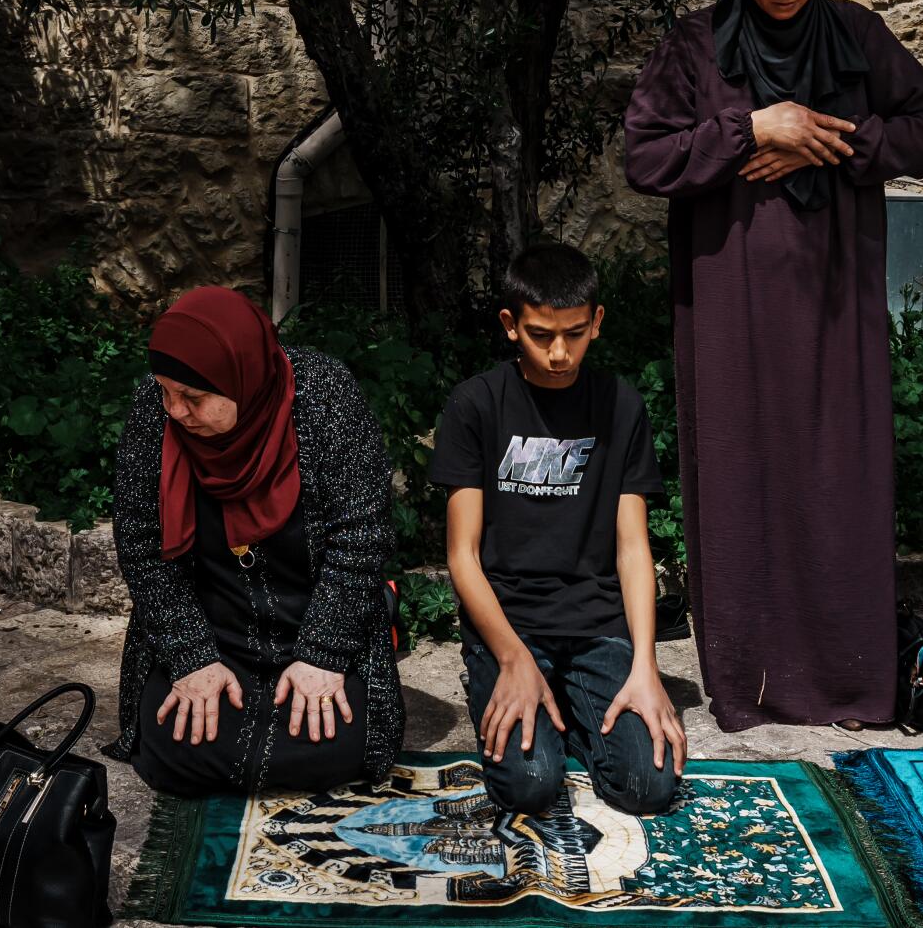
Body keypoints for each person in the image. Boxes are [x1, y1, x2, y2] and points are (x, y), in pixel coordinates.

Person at [622, 0, 923, 731]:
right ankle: (750, 682)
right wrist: (750, 131)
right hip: (731, 296)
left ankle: (845, 680)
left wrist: (831, 134)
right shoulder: (698, 45)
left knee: (838, 470)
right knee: (742, 469)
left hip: (835, 297)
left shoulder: (855, 36)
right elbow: (645, 154)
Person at [102, 286, 405, 796]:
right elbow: (141, 546)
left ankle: (381, 613)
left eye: (194, 398)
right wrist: (191, 657)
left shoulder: (325, 396)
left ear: (241, 379)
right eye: (165, 392)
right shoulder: (156, 409)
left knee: (337, 743)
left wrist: (324, 657)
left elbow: (362, 533)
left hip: (314, 617)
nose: (174, 410)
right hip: (213, 625)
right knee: (180, 746)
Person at [434, 242, 686, 814]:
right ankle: (529, 697)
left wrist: (646, 668)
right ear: (510, 325)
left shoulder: (620, 406)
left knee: (648, 788)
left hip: (597, 624)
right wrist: (512, 660)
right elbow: (462, 556)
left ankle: (572, 711)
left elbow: (632, 548)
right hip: (509, 627)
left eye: (573, 333)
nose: (558, 352)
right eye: (541, 334)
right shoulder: (475, 404)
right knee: (532, 787)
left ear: (596, 322)